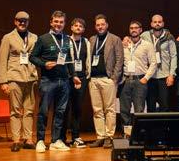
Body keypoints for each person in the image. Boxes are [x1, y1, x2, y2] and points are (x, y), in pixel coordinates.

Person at [30, 11, 81, 153]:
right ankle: (40, 140)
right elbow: (32, 57)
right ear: (51, 22)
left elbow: (69, 59)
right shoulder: (43, 39)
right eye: (56, 21)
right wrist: (44, 64)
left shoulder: (67, 39)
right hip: (48, 81)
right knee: (43, 111)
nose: (58, 24)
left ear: (64, 24)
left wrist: (74, 75)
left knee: (60, 112)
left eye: (61, 22)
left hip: (64, 81)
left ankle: (55, 141)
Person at [0, 11, 38, 152]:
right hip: (14, 78)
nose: (22, 23)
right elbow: (2, 60)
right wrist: (3, 81)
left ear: (28, 22)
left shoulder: (34, 37)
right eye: (20, 20)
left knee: (29, 111)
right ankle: (16, 140)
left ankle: (28, 139)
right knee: (15, 111)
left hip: (31, 78)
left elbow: (37, 56)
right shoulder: (8, 37)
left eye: (25, 20)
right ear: (15, 21)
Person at [88, 14, 123, 149]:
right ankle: (100, 137)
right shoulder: (92, 39)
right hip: (93, 79)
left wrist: (114, 78)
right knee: (97, 110)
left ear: (107, 25)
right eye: (98, 25)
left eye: (102, 24)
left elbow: (119, 60)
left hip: (108, 79)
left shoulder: (115, 39)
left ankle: (109, 137)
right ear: (95, 26)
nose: (100, 27)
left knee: (109, 109)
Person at [119, 21, 157, 136]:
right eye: (131, 28)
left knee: (139, 110)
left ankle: (138, 135)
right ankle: (126, 134)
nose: (133, 30)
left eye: (136, 28)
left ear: (140, 30)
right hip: (125, 80)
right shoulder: (124, 44)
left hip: (140, 80)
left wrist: (146, 78)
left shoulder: (147, 45)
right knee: (124, 110)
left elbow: (153, 63)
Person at [140, 14, 177, 112]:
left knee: (164, 105)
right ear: (151, 23)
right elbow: (134, 42)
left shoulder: (169, 37)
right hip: (149, 76)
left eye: (159, 22)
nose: (157, 24)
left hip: (164, 76)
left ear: (163, 23)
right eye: (155, 22)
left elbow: (173, 56)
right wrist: (126, 39)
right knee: (150, 105)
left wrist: (171, 75)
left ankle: (164, 122)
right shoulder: (144, 36)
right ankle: (151, 123)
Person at [64, 18, 90, 148]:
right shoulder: (66, 41)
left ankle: (75, 137)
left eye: (81, 26)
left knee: (77, 108)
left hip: (82, 78)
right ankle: (61, 137)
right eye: (76, 25)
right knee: (65, 108)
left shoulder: (86, 42)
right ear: (71, 27)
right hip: (68, 78)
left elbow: (88, 59)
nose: (78, 27)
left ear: (83, 29)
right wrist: (71, 75)